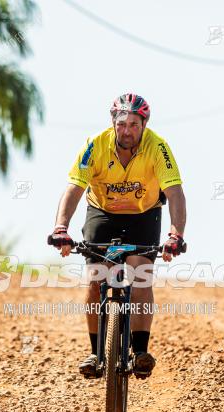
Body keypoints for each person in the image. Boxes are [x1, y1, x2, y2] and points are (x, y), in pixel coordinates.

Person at [48, 93, 188, 378]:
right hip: (103, 213)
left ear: (144, 125)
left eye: (134, 125)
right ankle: (95, 351)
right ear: (113, 122)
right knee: (97, 277)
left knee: (140, 276)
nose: (127, 131)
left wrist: (176, 234)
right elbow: (74, 188)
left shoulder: (158, 147)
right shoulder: (95, 145)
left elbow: (175, 192)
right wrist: (61, 228)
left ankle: (140, 351)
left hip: (144, 214)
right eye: (122, 123)